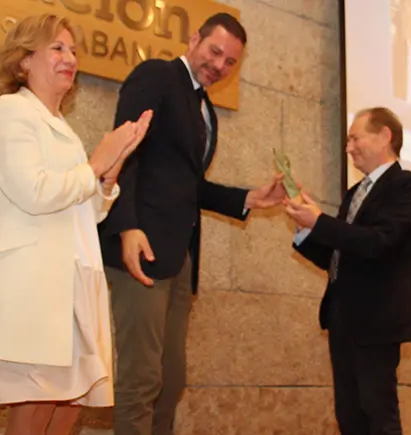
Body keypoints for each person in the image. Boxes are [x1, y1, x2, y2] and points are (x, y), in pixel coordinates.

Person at [97, 12, 285, 435]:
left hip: (178, 259)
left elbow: (188, 186)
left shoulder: (205, 109)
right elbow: (121, 151)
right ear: (194, 39)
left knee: (170, 380)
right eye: (215, 51)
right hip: (141, 251)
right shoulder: (157, 76)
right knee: (140, 379)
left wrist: (249, 198)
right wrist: (127, 226)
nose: (219, 65)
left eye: (230, 62)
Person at [0, 13, 153, 435]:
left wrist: (110, 172)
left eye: (73, 50)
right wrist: (96, 163)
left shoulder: (64, 131)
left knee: (68, 408)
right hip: (34, 287)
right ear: (23, 61)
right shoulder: (9, 112)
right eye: (57, 48)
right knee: (33, 411)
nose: (70, 57)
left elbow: (84, 212)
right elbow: (34, 192)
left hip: (73, 286)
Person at [284, 107, 411, 435]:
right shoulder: (354, 193)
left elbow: (378, 242)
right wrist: (306, 227)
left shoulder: (404, 185)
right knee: (349, 416)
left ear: (385, 136)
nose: (348, 148)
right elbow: (339, 256)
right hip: (342, 319)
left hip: (377, 321)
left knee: (378, 415)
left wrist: (320, 221)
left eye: (354, 138)